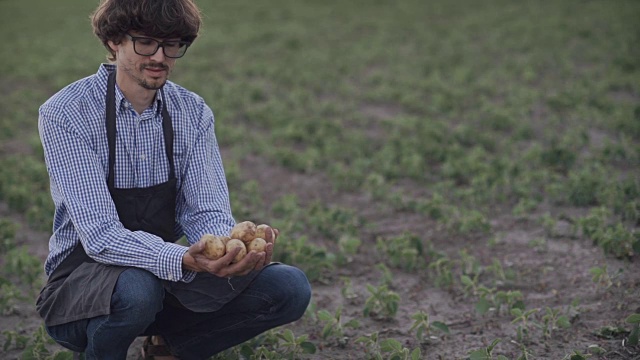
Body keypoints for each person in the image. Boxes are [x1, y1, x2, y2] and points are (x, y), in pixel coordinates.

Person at [35, 0, 311, 359]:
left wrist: (225, 251)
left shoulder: (192, 112)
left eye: (173, 45)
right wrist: (184, 259)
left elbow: (205, 211)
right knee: (137, 289)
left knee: (288, 287)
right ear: (113, 42)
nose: (160, 57)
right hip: (80, 290)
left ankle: (171, 350)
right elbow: (100, 236)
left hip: (162, 278)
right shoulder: (66, 113)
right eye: (146, 42)